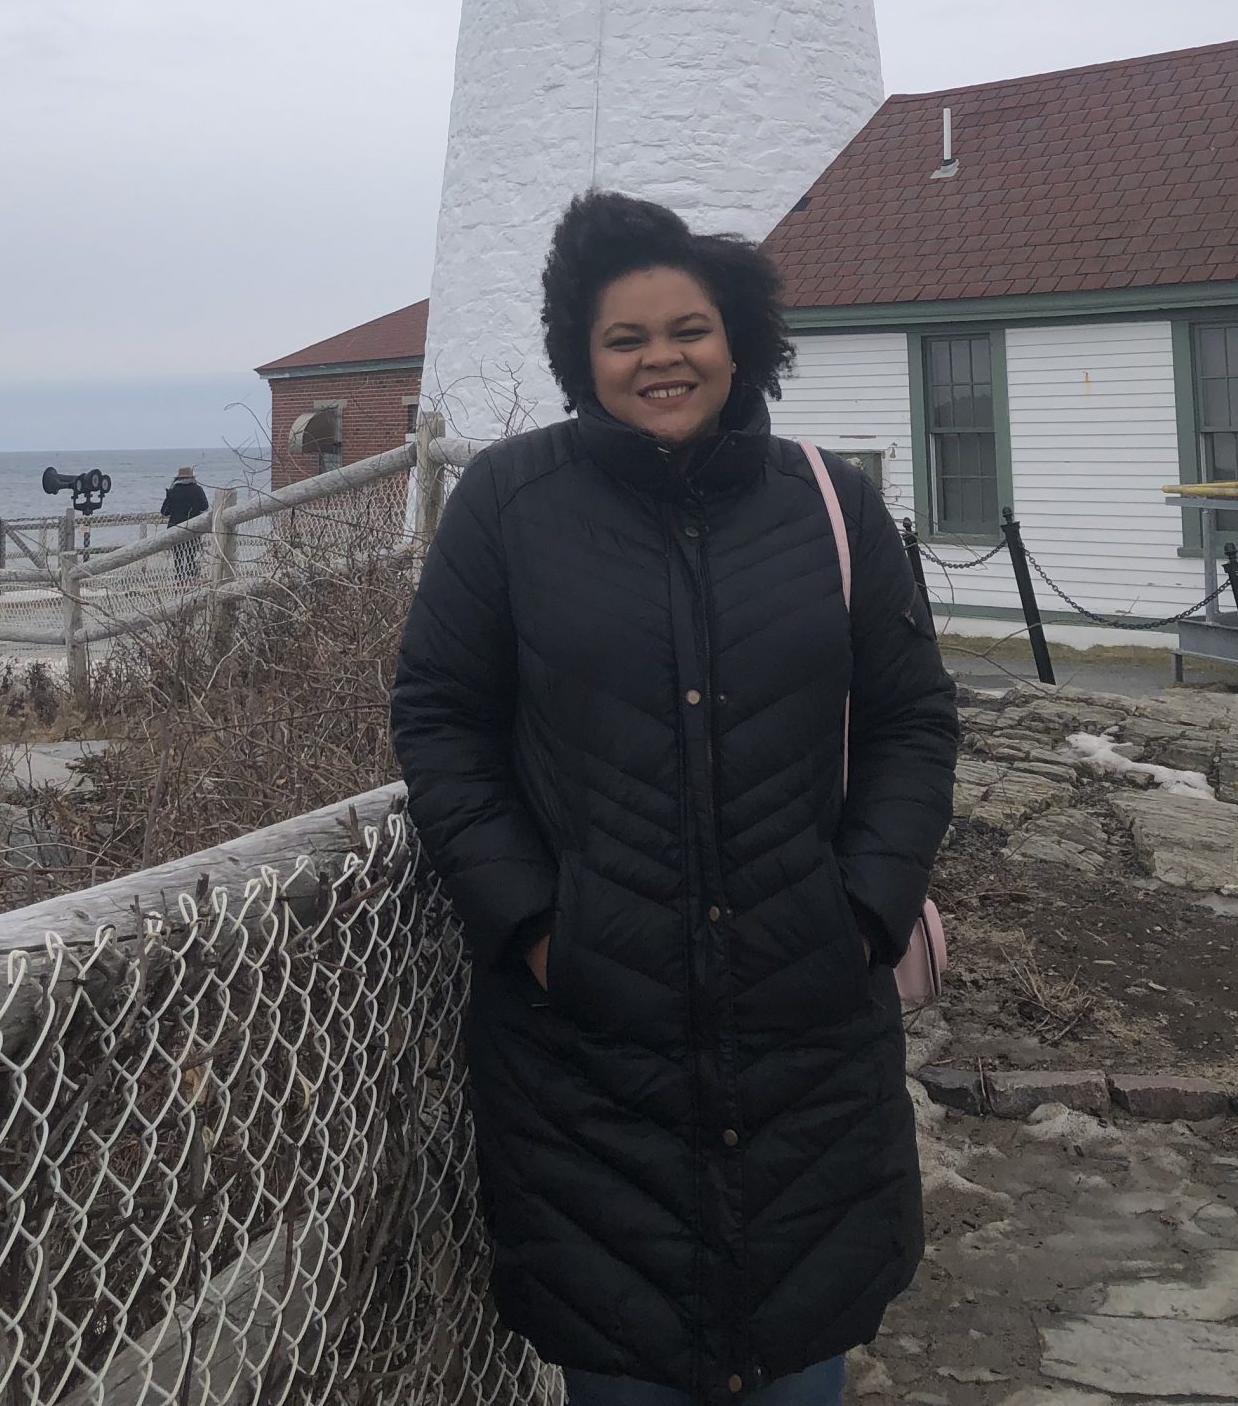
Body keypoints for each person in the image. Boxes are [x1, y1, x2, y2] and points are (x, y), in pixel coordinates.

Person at [391, 191, 959, 1406]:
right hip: (590, 1051)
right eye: (625, 337)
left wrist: (863, 909)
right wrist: (539, 929)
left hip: (806, 1037)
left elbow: (913, 720)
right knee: (624, 1365)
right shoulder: (507, 506)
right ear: (579, 358)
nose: (662, 358)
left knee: (803, 1363)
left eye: (689, 328)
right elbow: (441, 718)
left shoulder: (831, 503)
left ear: (740, 337)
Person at [161, 463, 209, 584]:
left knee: (178, 556)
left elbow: (165, 511)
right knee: (190, 555)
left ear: (177, 479)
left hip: (175, 527)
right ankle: (191, 579)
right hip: (193, 527)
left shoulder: (173, 491)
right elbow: (205, 506)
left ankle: (178, 578)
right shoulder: (198, 490)